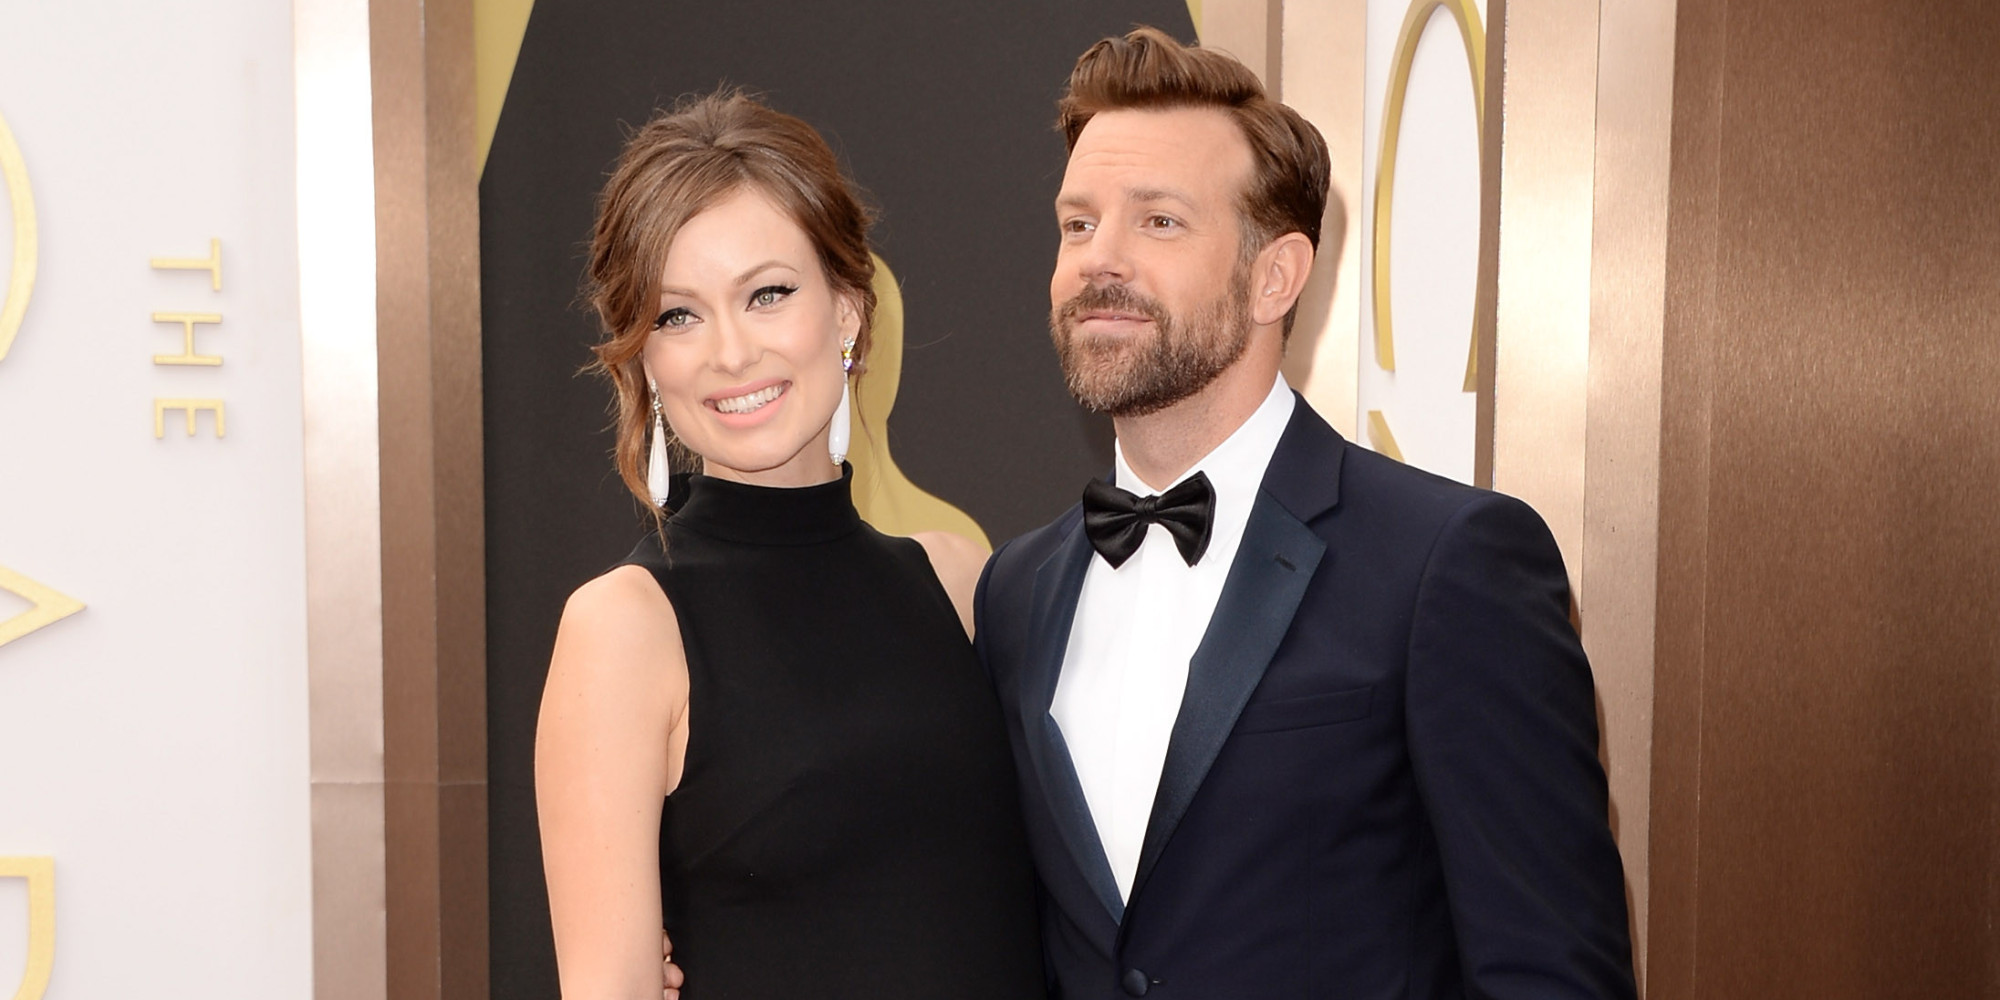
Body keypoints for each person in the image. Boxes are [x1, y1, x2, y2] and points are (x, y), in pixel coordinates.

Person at [972, 28, 1639, 998]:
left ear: (1274, 276)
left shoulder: (1445, 564)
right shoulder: (1016, 592)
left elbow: (1549, 970)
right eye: (1076, 224)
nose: (1097, 260)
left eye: (1156, 221)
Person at [534, 90, 1043, 1000]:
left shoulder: (960, 582)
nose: (731, 352)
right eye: (677, 315)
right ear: (643, 357)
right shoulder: (624, 629)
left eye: (768, 294)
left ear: (846, 312)